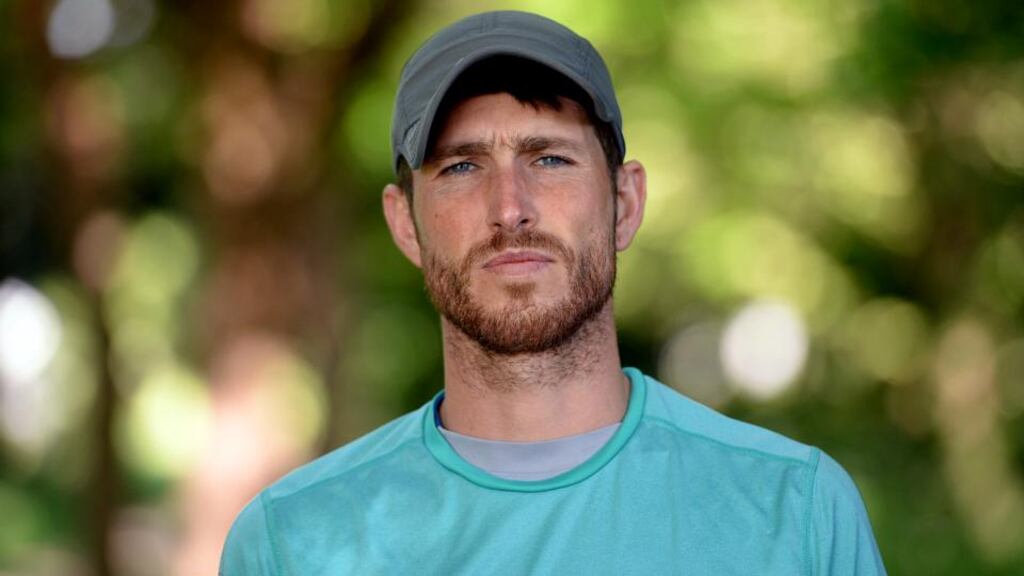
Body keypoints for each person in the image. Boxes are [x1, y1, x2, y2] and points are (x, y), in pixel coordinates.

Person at [220, 10, 886, 575]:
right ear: (405, 223)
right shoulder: (296, 543)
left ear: (625, 202)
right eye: (460, 166)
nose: (510, 208)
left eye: (549, 159)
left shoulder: (794, 513)